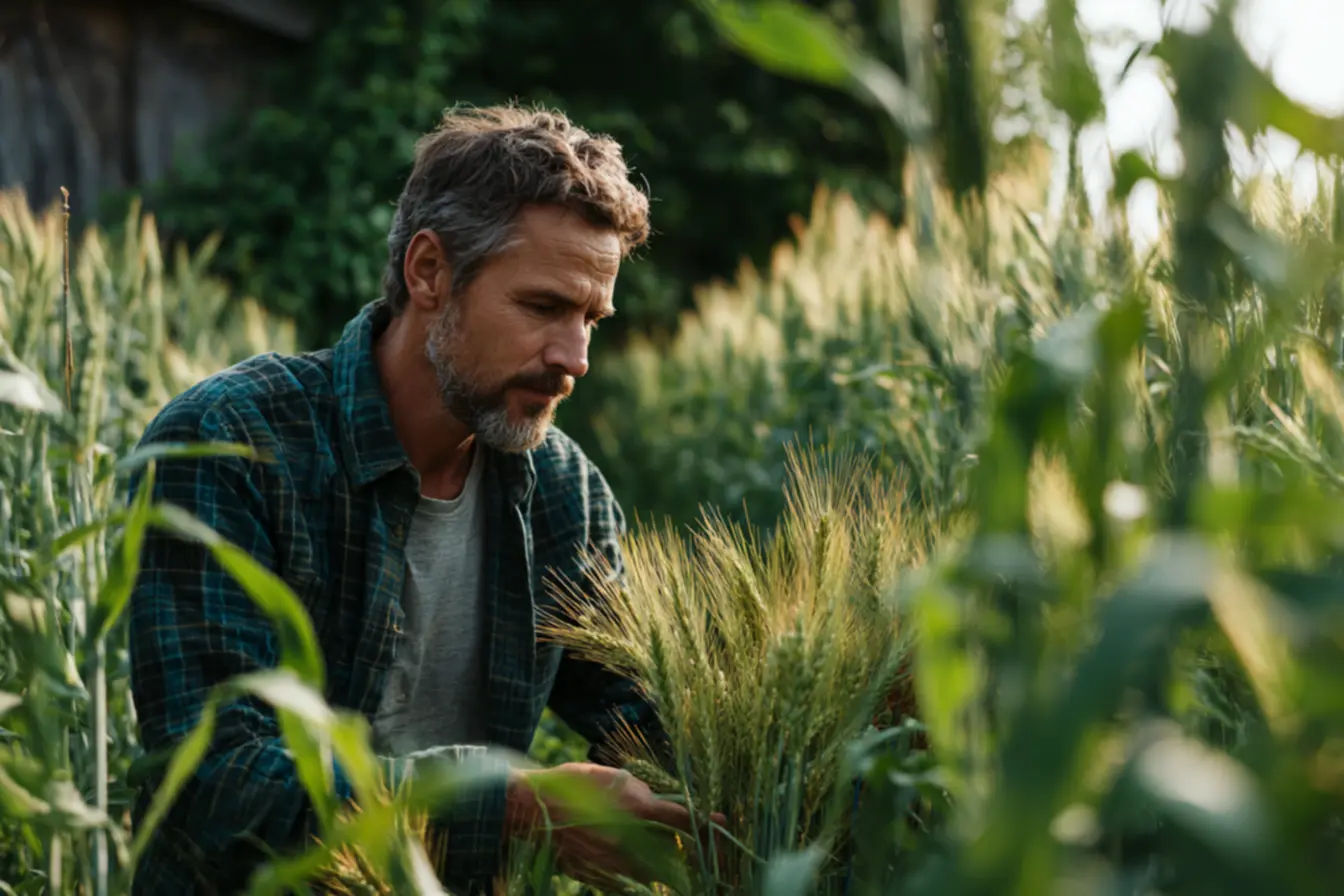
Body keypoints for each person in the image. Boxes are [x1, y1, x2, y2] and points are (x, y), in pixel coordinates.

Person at [125, 104, 701, 894]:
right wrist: (511, 808)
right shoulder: (229, 445)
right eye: (543, 307)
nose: (577, 358)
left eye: (591, 318)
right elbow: (218, 783)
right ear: (428, 271)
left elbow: (651, 723)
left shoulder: (563, 493)